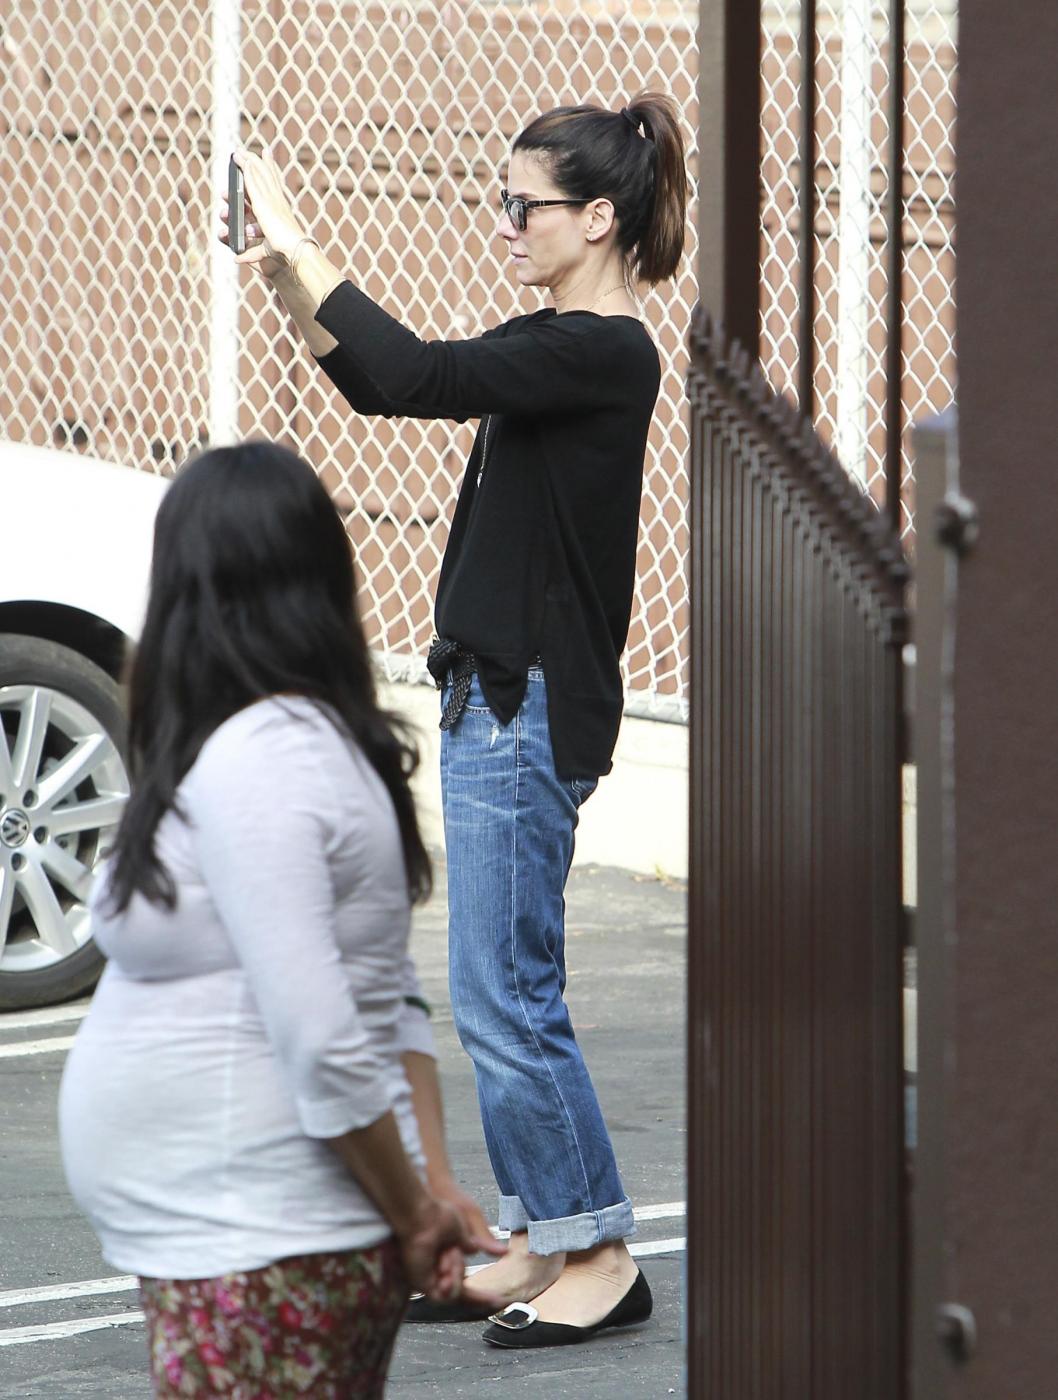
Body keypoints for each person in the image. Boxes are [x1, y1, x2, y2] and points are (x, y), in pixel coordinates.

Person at [224, 91, 688, 1350]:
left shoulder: (603, 351)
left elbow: (416, 372)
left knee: (504, 995)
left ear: (598, 218)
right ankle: (542, 1233)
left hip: (525, 703)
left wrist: (300, 235)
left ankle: (598, 1252)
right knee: (498, 986)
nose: (505, 225)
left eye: (522, 206)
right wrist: (288, 277)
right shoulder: (553, 342)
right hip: (498, 694)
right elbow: (380, 386)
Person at [58, 442, 502, 1399]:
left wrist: (414, 1212)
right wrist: (427, 1183)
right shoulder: (264, 744)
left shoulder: (270, 757)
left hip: (264, 1245)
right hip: (241, 1243)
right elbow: (390, 992)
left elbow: (325, 1034)